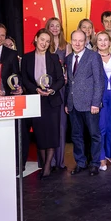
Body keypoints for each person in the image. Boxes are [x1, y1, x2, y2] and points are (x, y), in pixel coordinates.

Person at [21, 29, 66, 178]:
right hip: (35, 100)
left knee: (52, 134)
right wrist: (36, 89)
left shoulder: (53, 58)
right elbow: (24, 78)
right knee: (40, 134)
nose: (44, 43)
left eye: (47, 41)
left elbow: (60, 79)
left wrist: (52, 90)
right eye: (42, 40)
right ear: (36, 39)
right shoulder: (27, 58)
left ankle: (47, 166)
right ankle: (45, 164)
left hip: (51, 101)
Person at [66, 29, 106, 175]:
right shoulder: (69, 58)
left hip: (90, 104)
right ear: (71, 41)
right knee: (76, 136)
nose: (77, 43)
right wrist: (67, 102)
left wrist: (96, 102)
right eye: (74, 40)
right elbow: (70, 83)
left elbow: (99, 81)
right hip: (73, 104)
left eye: (80, 41)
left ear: (86, 42)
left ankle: (95, 163)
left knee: (94, 134)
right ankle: (80, 163)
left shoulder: (93, 56)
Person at [45, 17, 68, 170]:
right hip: (45, 89)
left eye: (57, 26)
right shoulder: (44, 44)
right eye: (52, 26)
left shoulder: (66, 46)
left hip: (61, 89)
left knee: (61, 125)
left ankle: (59, 161)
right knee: (48, 125)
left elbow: (69, 67)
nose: (54, 28)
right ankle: (49, 161)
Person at [93, 31, 111, 171]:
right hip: (100, 96)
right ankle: (101, 157)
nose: (103, 43)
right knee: (101, 128)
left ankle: (110, 155)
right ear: (96, 43)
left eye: (105, 40)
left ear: (110, 42)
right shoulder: (93, 58)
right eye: (100, 40)